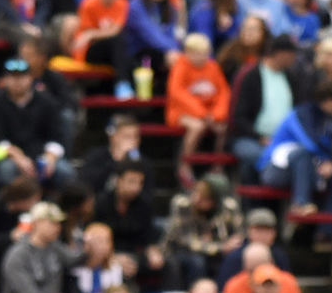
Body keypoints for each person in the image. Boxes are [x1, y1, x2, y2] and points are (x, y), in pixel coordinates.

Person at [258, 79, 332, 233]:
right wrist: (326, 162)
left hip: (310, 170)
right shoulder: (301, 114)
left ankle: (329, 231)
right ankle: (301, 203)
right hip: (276, 169)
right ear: (330, 101)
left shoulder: (331, 120)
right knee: (302, 154)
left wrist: (331, 164)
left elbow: (330, 150)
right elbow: (309, 144)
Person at [0, 57, 75, 190]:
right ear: (5, 80)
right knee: (6, 169)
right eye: (12, 77)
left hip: (42, 154)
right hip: (12, 157)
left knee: (66, 171)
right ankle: (10, 207)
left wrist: (49, 157)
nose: (17, 81)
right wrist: (17, 156)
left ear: (30, 78)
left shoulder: (47, 102)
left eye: (21, 77)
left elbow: (57, 136)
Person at [93, 158, 178, 293]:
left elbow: (149, 236)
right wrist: (112, 257)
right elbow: (95, 236)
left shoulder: (144, 204)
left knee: (169, 263)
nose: (136, 187)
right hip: (108, 256)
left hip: (135, 254)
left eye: (140, 183)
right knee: (118, 268)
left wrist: (153, 250)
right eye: (131, 181)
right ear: (118, 180)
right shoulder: (101, 204)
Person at [166, 33, 230, 188]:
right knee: (197, 127)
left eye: (205, 54)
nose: (201, 57)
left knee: (223, 128)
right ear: (187, 53)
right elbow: (177, 93)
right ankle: (184, 165)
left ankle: (217, 165)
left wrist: (216, 115)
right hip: (182, 112)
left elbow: (224, 93)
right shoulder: (180, 66)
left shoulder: (213, 67)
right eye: (197, 54)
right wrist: (202, 114)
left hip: (209, 114)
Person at [229, 34, 296, 184]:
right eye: (292, 55)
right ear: (280, 54)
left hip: (282, 140)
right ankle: (252, 202)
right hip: (249, 138)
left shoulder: (290, 77)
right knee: (257, 156)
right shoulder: (250, 75)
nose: (294, 59)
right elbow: (238, 116)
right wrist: (260, 137)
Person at [164, 174, 243, 287]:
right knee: (197, 261)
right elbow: (188, 242)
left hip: (214, 251)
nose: (196, 199)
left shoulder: (228, 206)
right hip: (180, 251)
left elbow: (238, 235)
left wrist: (226, 244)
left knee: (234, 258)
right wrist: (220, 246)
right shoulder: (182, 204)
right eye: (195, 192)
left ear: (215, 201)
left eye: (203, 198)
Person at [0, 201, 79, 293]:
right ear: (37, 223)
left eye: (59, 223)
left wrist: (90, 248)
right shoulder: (18, 254)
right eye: (52, 223)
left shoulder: (55, 247)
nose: (58, 228)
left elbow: (75, 261)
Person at [80, 114, 155, 200]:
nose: (134, 141)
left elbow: (148, 197)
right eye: (127, 137)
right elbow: (87, 188)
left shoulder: (142, 163)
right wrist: (116, 162)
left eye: (136, 136)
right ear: (113, 137)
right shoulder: (95, 157)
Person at [217, 207, 290, 287]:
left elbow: (286, 284)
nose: (262, 235)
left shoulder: (280, 256)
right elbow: (224, 287)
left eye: (267, 230)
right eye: (258, 230)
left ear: (274, 233)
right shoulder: (235, 257)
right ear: (248, 231)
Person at [69, 222, 124, 293]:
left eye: (107, 241)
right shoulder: (74, 269)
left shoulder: (115, 268)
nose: (103, 246)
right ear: (86, 243)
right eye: (99, 241)